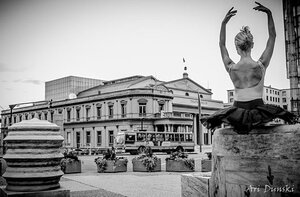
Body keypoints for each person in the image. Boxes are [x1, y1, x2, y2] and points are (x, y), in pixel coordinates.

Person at [201, 2, 295, 134]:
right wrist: (269, 14)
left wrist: (224, 23)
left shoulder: (231, 67)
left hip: (237, 112)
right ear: (252, 45)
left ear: (236, 47)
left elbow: (221, 45)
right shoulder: (261, 65)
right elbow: (272, 36)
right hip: (258, 110)